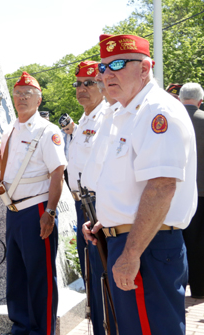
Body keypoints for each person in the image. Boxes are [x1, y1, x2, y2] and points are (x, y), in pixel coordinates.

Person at [83, 34, 197, 334]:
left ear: (146, 68)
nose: (107, 74)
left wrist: (131, 254)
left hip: (147, 246)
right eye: (102, 67)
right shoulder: (126, 113)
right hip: (130, 241)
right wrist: (107, 223)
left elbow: (162, 187)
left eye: (117, 64)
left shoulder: (157, 111)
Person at [0, 72, 66, 335]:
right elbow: (1, 164)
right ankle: (21, 327)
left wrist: (50, 212)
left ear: (38, 98)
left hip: (37, 209)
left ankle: (42, 330)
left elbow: (58, 172)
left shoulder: (48, 131)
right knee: (17, 277)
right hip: (13, 210)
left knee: (40, 278)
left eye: (28, 93)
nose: (22, 97)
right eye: (18, 93)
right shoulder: (11, 128)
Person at [66, 60, 108, 335]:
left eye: (89, 83)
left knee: (103, 274)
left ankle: (106, 328)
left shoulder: (106, 117)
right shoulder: (84, 119)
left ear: (103, 86)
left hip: (101, 207)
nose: (82, 89)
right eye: (78, 83)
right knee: (91, 274)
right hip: (84, 206)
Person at [179, 82, 204, 299]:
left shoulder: (172, 120)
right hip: (203, 192)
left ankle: (179, 285)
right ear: (200, 101)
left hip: (176, 191)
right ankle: (199, 288)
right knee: (199, 241)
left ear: (179, 98)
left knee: (179, 240)